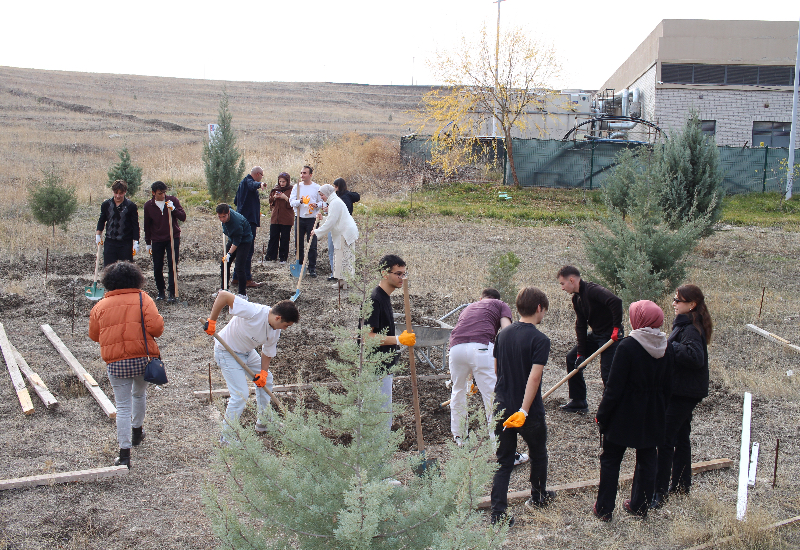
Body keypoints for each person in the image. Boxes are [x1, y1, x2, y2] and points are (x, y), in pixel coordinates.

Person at [593, 300, 674, 521]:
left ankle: (604, 509)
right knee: (648, 460)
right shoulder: (667, 346)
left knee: (610, 460)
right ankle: (640, 506)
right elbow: (669, 387)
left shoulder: (628, 346)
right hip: (653, 413)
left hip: (624, 413)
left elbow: (614, 387)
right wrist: (661, 410)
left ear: (638, 319)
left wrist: (602, 414)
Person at [88, 261, 164, 468]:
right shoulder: (144, 299)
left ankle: (124, 456)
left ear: (108, 282)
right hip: (143, 360)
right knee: (139, 394)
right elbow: (157, 330)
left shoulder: (100, 306)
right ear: (135, 278)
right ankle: (137, 432)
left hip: (116, 363)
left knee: (122, 407)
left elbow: (94, 336)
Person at [490, 287, 554, 526]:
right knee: (538, 454)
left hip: (501, 405)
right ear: (539, 308)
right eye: (544, 311)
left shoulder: (503, 335)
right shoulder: (540, 339)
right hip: (527, 411)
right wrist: (524, 410)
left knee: (504, 461)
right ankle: (537, 498)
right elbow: (534, 378)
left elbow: (497, 370)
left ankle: (498, 514)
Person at [204, 292, 299, 442]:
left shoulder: (275, 330)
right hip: (227, 351)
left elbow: (267, 352)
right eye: (286, 325)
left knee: (267, 380)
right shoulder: (253, 311)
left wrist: (263, 373)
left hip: (247, 352)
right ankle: (226, 438)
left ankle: (264, 422)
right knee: (240, 394)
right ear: (278, 318)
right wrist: (212, 321)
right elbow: (223, 296)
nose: (286, 329)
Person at [651, 284, 712, 509]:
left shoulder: (691, 329)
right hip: (684, 390)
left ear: (692, 304)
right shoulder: (688, 324)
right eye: (675, 299)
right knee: (681, 436)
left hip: (684, 392)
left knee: (665, 439)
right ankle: (681, 484)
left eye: (678, 300)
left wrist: (668, 346)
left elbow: (696, 357)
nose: (674, 303)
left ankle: (659, 492)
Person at [447, 289, 513, 445]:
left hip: (455, 349)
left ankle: (460, 438)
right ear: (497, 299)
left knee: (458, 390)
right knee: (491, 396)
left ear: (480, 298)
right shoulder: (501, 305)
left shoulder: (469, 307)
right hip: (481, 348)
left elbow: (466, 333)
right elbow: (507, 332)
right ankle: (499, 444)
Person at [557, 265, 624, 413]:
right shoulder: (577, 298)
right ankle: (578, 400)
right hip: (597, 334)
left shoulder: (593, 290)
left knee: (608, 373)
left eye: (562, 283)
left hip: (612, 336)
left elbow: (616, 302)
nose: (562, 288)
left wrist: (616, 328)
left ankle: (613, 410)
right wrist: (581, 353)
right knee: (572, 358)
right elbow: (581, 326)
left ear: (572, 280)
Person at [362, 254, 416, 430]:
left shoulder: (385, 297)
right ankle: (373, 457)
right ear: (385, 273)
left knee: (384, 417)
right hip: (374, 367)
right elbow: (365, 338)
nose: (402, 278)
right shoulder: (374, 299)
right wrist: (399, 340)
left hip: (383, 367)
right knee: (378, 418)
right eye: (398, 274)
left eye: (404, 274)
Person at [143, 181, 186, 303]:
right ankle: (161, 291)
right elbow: (147, 225)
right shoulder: (148, 206)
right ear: (153, 193)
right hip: (157, 239)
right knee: (157, 267)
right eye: (160, 193)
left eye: (164, 192)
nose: (163, 195)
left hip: (173, 237)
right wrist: (148, 242)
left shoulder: (172, 201)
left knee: (173, 265)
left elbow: (183, 217)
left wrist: (173, 209)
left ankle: (172, 292)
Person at [311, 184, 358, 289]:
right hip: (341, 232)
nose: (321, 197)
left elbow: (331, 222)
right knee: (339, 257)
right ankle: (341, 281)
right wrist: (323, 218)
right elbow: (332, 219)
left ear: (327, 194)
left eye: (322, 195)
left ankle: (345, 283)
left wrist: (317, 231)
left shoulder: (335, 203)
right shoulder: (333, 202)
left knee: (345, 257)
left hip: (345, 233)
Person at [233, 166, 266, 288]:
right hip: (248, 222)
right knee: (247, 250)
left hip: (241, 220)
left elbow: (236, 201)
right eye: (262, 175)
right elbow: (253, 184)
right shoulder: (248, 181)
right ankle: (246, 279)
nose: (262, 177)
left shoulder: (242, 184)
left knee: (241, 249)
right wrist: (260, 184)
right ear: (258, 174)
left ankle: (236, 277)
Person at [96, 179, 140, 267]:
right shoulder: (106, 205)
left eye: (121, 193)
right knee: (109, 270)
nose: (118, 195)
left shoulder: (131, 206)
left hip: (125, 243)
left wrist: (136, 242)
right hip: (110, 242)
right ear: (113, 191)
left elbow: (135, 225)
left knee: (127, 271)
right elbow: (101, 220)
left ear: (125, 192)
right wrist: (98, 235)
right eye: (116, 192)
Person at [289, 165, 322, 277]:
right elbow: (291, 202)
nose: (302, 175)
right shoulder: (297, 187)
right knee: (298, 244)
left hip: (312, 219)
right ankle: (300, 266)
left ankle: (312, 268)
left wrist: (316, 205)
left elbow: (323, 202)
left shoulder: (317, 187)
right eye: (301, 173)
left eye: (304, 173)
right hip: (299, 218)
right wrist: (300, 201)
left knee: (312, 244)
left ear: (310, 175)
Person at [326, 178, 360, 281]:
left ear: (338, 187)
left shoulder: (340, 200)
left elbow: (336, 216)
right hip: (343, 227)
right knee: (342, 253)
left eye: (335, 187)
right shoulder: (345, 197)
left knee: (337, 252)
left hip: (340, 228)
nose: (334, 189)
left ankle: (339, 276)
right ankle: (342, 276)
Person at [216, 203, 254, 298]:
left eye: (224, 216)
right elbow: (227, 205)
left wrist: (229, 254)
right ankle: (224, 289)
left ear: (228, 213)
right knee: (224, 264)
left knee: (239, 267)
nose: (222, 219)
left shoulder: (236, 222)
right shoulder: (226, 212)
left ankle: (242, 294)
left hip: (244, 241)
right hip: (233, 239)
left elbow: (237, 242)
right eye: (219, 217)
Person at [265, 172, 294, 264]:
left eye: (283, 182)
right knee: (273, 237)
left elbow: (294, 204)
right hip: (275, 217)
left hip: (286, 218)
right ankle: (270, 257)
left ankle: (283, 258)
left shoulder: (292, 190)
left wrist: (285, 197)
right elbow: (270, 202)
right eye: (280, 181)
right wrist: (274, 197)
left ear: (287, 181)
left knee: (284, 238)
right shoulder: (275, 189)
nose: (281, 183)